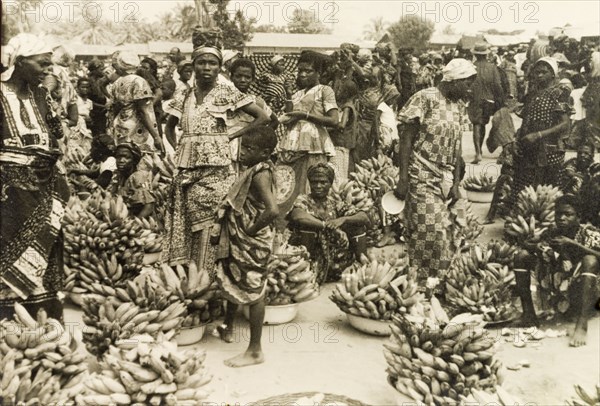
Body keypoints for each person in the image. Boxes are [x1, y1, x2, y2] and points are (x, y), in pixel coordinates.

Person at [162, 36, 269, 276]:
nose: (207, 68)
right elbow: (169, 126)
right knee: (187, 225)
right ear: (194, 65)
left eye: (212, 63)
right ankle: (192, 278)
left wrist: (232, 136)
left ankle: (209, 278)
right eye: (202, 63)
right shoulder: (185, 96)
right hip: (186, 171)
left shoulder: (227, 93)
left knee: (210, 226)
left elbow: (263, 117)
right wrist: (176, 147)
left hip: (217, 171)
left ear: (220, 67)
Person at [0, 33, 70, 320]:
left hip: (42, 191)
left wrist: (50, 155)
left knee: (44, 257)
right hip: (8, 197)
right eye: (43, 64)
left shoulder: (42, 95)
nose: (48, 70)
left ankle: (43, 324)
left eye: (50, 65)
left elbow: (57, 135)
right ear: (20, 61)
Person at [394, 58, 476, 278]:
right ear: (452, 80)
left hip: (446, 176)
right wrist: (403, 178)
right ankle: (423, 281)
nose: (470, 88)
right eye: (467, 83)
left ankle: (438, 278)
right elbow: (406, 139)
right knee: (430, 229)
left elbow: (457, 147)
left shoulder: (459, 105)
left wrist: (457, 183)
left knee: (451, 229)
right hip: (421, 173)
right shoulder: (425, 98)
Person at [213, 127, 279, 367]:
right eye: (244, 146)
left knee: (253, 291)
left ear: (266, 152)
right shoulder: (253, 168)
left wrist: (250, 230)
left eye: (251, 149)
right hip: (240, 238)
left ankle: (255, 350)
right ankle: (228, 326)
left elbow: (273, 210)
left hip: (252, 240)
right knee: (234, 278)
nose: (244, 152)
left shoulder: (261, 173)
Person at [512, 194, 599, 347]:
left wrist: (573, 245)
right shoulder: (551, 233)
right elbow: (526, 243)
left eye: (568, 214)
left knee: (590, 260)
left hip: (588, 293)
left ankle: (582, 324)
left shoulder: (589, 234)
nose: (562, 218)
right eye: (559, 214)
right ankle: (529, 315)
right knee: (521, 256)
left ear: (578, 217)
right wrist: (536, 247)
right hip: (559, 291)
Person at [276, 51, 339, 217]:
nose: (303, 74)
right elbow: (289, 116)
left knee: (310, 185)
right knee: (288, 185)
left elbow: (334, 120)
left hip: (313, 145)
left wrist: (305, 116)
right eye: (300, 70)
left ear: (319, 73)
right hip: (292, 145)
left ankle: (310, 222)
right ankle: (288, 223)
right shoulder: (298, 93)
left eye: (308, 71)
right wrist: (289, 95)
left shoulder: (325, 91)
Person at [287, 163, 371, 283]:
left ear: (330, 184)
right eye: (314, 182)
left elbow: (364, 217)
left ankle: (363, 269)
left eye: (323, 182)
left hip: (335, 259)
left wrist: (343, 220)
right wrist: (327, 226)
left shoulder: (335, 203)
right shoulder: (304, 200)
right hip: (313, 256)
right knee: (307, 226)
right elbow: (297, 216)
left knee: (357, 225)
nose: (318, 186)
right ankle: (307, 271)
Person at [509, 57, 572, 212]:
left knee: (547, 192)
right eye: (537, 72)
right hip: (528, 146)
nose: (539, 75)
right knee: (526, 188)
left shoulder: (559, 94)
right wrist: (516, 139)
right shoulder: (532, 94)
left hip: (549, 149)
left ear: (553, 74)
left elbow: (565, 124)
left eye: (544, 72)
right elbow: (526, 121)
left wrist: (539, 135)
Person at [106, 51, 165, 156]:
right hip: (137, 128)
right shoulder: (139, 81)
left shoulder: (117, 82)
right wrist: (156, 136)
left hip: (121, 125)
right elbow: (142, 111)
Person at [228, 58, 278, 173]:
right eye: (238, 76)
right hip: (228, 148)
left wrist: (258, 139)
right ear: (231, 77)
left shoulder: (256, 101)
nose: (243, 80)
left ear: (253, 79)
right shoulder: (225, 99)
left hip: (248, 151)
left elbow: (274, 121)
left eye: (247, 77)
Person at [469, 42, 506, 164]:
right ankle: (480, 150)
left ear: (475, 54)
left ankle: (478, 152)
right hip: (489, 100)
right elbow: (497, 86)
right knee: (483, 124)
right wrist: (501, 99)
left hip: (475, 99)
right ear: (486, 54)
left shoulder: (471, 67)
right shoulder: (492, 67)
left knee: (476, 124)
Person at [109, 142, 155, 218]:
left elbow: (149, 206)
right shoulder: (119, 176)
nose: (121, 160)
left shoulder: (138, 177)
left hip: (139, 220)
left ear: (134, 160)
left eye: (126, 157)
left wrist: (135, 223)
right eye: (118, 157)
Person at [86, 59, 108, 136]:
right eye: (101, 69)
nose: (103, 71)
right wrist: (104, 106)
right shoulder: (88, 82)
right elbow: (87, 101)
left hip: (101, 114)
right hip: (93, 115)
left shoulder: (99, 81)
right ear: (94, 70)